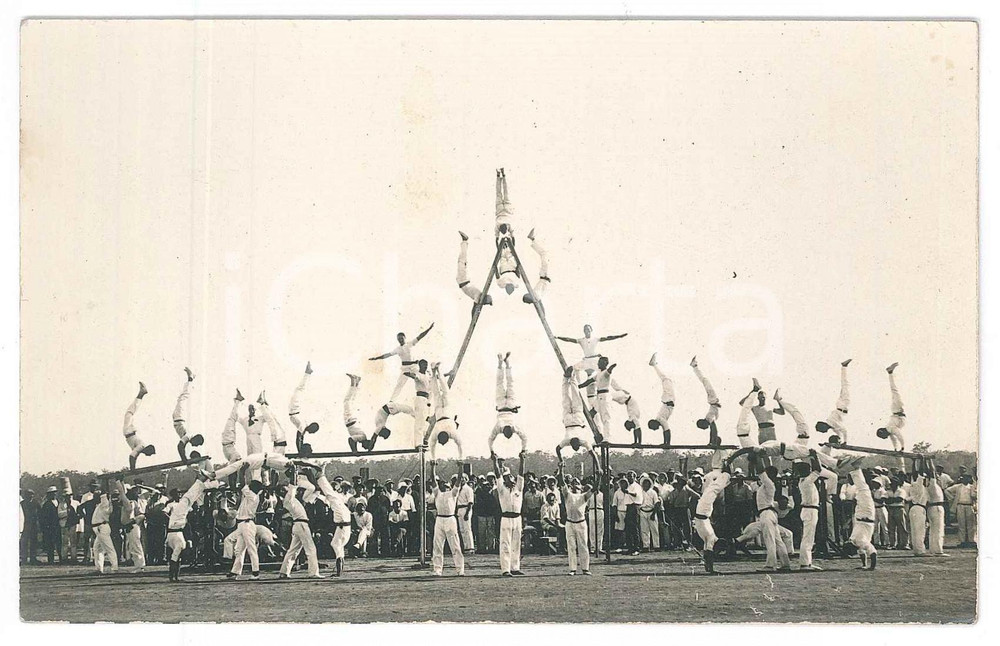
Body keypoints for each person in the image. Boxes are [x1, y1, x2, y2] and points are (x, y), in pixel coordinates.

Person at [166, 472, 222, 581]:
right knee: (189, 497)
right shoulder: (176, 505)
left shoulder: (178, 507)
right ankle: (173, 577)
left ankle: (174, 577)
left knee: (190, 496)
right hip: (176, 531)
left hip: (174, 531)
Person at [369, 324, 436, 404]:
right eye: (399, 339)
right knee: (399, 384)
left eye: (401, 338)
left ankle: (429, 398)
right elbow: (387, 355)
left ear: (405, 338)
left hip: (414, 367)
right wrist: (376, 358)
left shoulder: (410, 344)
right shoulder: (397, 349)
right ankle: (392, 401)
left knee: (425, 378)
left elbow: (420, 336)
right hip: (405, 368)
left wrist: (429, 329)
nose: (400, 340)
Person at [278, 474, 324, 579]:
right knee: (311, 549)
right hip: (301, 524)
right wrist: (293, 474)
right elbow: (293, 486)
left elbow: (311, 490)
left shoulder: (292, 500)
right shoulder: (288, 499)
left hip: (298, 525)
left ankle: (284, 572)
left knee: (293, 550)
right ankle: (313, 573)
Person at [557, 368, 604, 462]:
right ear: (579, 444)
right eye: (577, 444)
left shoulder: (566, 442)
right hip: (577, 420)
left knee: (565, 397)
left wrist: (560, 460)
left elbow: (557, 449)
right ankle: (573, 376)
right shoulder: (583, 442)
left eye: (574, 444)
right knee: (576, 396)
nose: (575, 442)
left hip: (568, 421)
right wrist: (598, 467)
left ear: (571, 444)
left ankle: (566, 378)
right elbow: (593, 454)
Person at [493, 449, 527, 576]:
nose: (509, 479)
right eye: (506, 477)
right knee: (505, 543)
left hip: (517, 518)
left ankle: (515, 567)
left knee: (516, 543)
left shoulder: (519, 488)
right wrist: (495, 461)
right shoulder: (502, 489)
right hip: (506, 518)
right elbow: (497, 474)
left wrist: (523, 459)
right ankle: (506, 569)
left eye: (510, 477)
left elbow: (521, 473)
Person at [227, 463, 263, 580]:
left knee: (251, 548)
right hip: (242, 524)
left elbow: (242, 484)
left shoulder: (252, 495)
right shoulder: (250, 495)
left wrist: (242, 471)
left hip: (247, 524)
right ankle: (235, 572)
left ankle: (256, 572)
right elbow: (243, 485)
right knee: (239, 550)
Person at [429, 460, 465, 576]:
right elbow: (433, 480)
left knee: (455, 545)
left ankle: (460, 569)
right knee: (437, 546)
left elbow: (459, 480)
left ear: (449, 487)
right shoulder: (437, 494)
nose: (444, 487)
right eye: (442, 485)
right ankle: (437, 569)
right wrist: (432, 467)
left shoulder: (453, 493)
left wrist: (460, 468)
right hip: (439, 520)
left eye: (446, 486)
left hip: (450, 520)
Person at [693, 466, 732, 573]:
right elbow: (708, 551)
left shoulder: (711, 538)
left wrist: (710, 566)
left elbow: (708, 551)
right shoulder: (711, 538)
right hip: (702, 514)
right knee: (713, 489)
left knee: (713, 489)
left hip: (702, 513)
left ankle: (726, 474)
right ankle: (726, 474)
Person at [798, 452, 833, 570]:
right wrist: (814, 456)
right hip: (810, 510)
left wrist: (813, 458)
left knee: (809, 537)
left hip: (809, 510)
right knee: (808, 538)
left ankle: (807, 562)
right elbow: (818, 469)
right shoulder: (807, 481)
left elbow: (815, 469)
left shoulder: (804, 480)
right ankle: (804, 564)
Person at [488, 353, 528, 454]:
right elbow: (524, 438)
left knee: (507, 383)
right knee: (507, 383)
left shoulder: (503, 427)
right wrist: (523, 450)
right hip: (506, 405)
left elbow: (524, 438)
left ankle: (503, 363)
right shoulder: (507, 427)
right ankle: (504, 363)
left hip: (506, 405)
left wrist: (492, 451)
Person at [756, 465, 791, 570]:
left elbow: (760, 471)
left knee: (770, 540)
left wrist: (758, 456)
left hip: (766, 513)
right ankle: (785, 564)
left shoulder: (769, 484)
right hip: (770, 513)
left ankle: (770, 565)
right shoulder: (768, 485)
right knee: (777, 540)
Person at [425, 363, 463, 459]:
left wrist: (460, 457)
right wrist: (460, 457)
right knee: (438, 392)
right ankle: (435, 370)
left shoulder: (452, 433)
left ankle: (436, 370)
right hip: (441, 412)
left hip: (445, 411)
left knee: (443, 392)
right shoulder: (439, 432)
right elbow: (432, 445)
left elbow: (460, 445)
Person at [578, 356, 621, 438]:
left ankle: (607, 438)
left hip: (605, 396)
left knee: (605, 417)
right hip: (599, 397)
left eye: (599, 362)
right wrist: (579, 386)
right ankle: (599, 434)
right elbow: (588, 381)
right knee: (591, 413)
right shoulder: (598, 374)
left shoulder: (605, 373)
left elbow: (609, 371)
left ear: (604, 363)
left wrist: (612, 366)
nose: (598, 364)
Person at [875, 362, 906, 465]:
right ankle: (890, 373)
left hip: (897, 409)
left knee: (894, 390)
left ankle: (890, 373)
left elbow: (900, 436)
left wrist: (902, 448)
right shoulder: (891, 432)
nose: (885, 438)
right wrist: (896, 449)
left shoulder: (891, 429)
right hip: (898, 411)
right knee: (894, 391)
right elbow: (894, 440)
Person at [456, 231, 495, 311]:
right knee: (461, 260)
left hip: (464, 280)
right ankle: (465, 241)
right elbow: (474, 307)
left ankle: (465, 242)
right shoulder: (478, 295)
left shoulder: (479, 295)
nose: (484, 304)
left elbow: (476, 306)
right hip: (463, 279)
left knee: (462, 260)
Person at [172, 367, 205, 461]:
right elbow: (180, 446)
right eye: (197, 444)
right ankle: (190, 378)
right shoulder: (189, 436)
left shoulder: (188, 437)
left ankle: (191, 380)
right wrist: (184, 459)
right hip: (179, 417)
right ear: (196, 439)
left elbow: (181, 446)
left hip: (177, 418)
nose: (194, 445)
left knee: (181, 398)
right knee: (184, 397)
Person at [849, 468, 879, 570]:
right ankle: (855, 470)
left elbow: (861, 551)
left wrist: (864, 565)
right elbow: (873, 551)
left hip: (860, 517)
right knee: (863, 489)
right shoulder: (860, 542)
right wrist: (872, 567)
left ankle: (856, 471)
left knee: (863, 490)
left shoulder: (854, 540)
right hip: (867, 515)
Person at [115, 479, 147, 573]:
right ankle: (139, 565)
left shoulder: (128, 503)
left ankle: (140, 566)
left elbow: (122, 492)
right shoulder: (134, 503)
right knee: (134, 546)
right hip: (132, 526)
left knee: (135, 546)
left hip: (131, 526)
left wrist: (118, 482)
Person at [288, 361, 321, 454]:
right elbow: (298, 438)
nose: (311, 433)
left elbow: (301, 437)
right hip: (294, 407)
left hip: (295, 408)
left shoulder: (305, 425)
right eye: (313, 432)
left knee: (300, 389)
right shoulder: (303, 427)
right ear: (311, 428)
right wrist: (299, 451)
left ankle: (308, 373)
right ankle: (308, 373)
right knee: (300, 389)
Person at [816, 360, 852, 441]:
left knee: (846, 385)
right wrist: (839, 440)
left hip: (843, 405)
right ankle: (844, 367)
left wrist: (845, 442)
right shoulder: (832, 426)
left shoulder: (833, 423)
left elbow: (844, 430)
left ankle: (844, 367)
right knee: (845, 385)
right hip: (841, 405)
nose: (824, 432)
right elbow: (839, 433)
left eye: (822, 430)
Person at [123, 382, 156, 470]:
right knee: (129, 413)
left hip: (129, 432)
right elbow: (132, 457)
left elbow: (134, 456)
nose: (148, 456)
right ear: (147, 449)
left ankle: (141, 394)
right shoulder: (141, 446)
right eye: (150, 453)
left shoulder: (140, 448)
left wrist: (133, 468)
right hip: (129, 431)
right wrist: (132, 469)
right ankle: (141, 394)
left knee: (130, 413)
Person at [405, 359, 436, 448]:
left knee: (424, 421)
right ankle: (418, 443)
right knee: (419, 421)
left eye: (426, 365)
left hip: (426, 400)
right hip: (420, 399)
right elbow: (414, 376)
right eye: (423, 365)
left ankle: (422, 441)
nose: (425, 367)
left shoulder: (427, 375)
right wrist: (409, 374)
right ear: (420, 365)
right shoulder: (418, 374)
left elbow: (434, 378)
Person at [647, 353, 675, 446]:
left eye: (654, 428)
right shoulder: (660, 420)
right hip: (667, 400)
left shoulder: (660, 419)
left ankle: (654, 365)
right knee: (666, 379)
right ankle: (654, 365)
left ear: (655, 423)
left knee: (665, 379)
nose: (655, 430)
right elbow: (665, 430)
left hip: (668, 399)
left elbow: (667, 430)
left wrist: (667, 444)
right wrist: (665, 443)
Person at [90, 485, 118, 574]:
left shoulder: (104, 504)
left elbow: (104, 495)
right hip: (98, 528)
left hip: (102, 527)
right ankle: (99, 569)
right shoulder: (100, 505)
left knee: (109, 548)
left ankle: (115, 568)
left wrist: (103, 485)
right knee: (97, 548)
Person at [521, 229, 551, 305]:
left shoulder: (535, 295)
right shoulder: (536, 295)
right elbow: (540, 304)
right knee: (544, 253)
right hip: (544, 275)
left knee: (544, 253)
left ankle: (533, 239)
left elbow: (539, 303)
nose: (528, 293)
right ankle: (533, 239)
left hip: (544, 275)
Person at [690, 356, 721, 432]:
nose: (705, 428)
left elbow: (714, 430)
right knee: (705, 381)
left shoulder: (709, 419)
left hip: (712, 399)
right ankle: (694, 366)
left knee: (705, 381)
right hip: (712, 400)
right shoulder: (709, 419)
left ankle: (694, 366)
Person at [947, 474, 977, 547]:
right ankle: (962, 541)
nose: (965, 480)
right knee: (961, 524)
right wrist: (952, 498)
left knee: (970, 524)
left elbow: (975, 495)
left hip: (969, 505)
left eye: (967, 478)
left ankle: (971, 540)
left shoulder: (972, 487)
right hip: (960, 505)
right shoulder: (958, 487)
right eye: (963, 478)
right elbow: (947, 490)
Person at [221, 389, 247, 467]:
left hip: (228, 442)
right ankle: (237, 401)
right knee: (232, 418)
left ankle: (237, 401)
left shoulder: (233, 456)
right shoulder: (234, 455)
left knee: (232, 418)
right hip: (228, 443)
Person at [39, 486, 61, 564]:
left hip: (58, 526)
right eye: (52, 493)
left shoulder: (59, 502)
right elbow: (42, 517)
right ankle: (51, 560)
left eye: (55, 493)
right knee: (50, 544)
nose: (54, 494)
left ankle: (61, 559)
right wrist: (45, 527)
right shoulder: (46, 504)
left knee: (59, 543)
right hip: (50, 527)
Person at [638, 476, 661, 551]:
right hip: (643, 511)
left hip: (651, 511)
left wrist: (654, 514)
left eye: (647, 483)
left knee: (654, 529)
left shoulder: (653, 492)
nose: (645, 485)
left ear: (650, 484)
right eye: (644, 483)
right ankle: (646, 546)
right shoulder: (640, 492)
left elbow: (657, 503)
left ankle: (656, 546)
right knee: (644, 529)